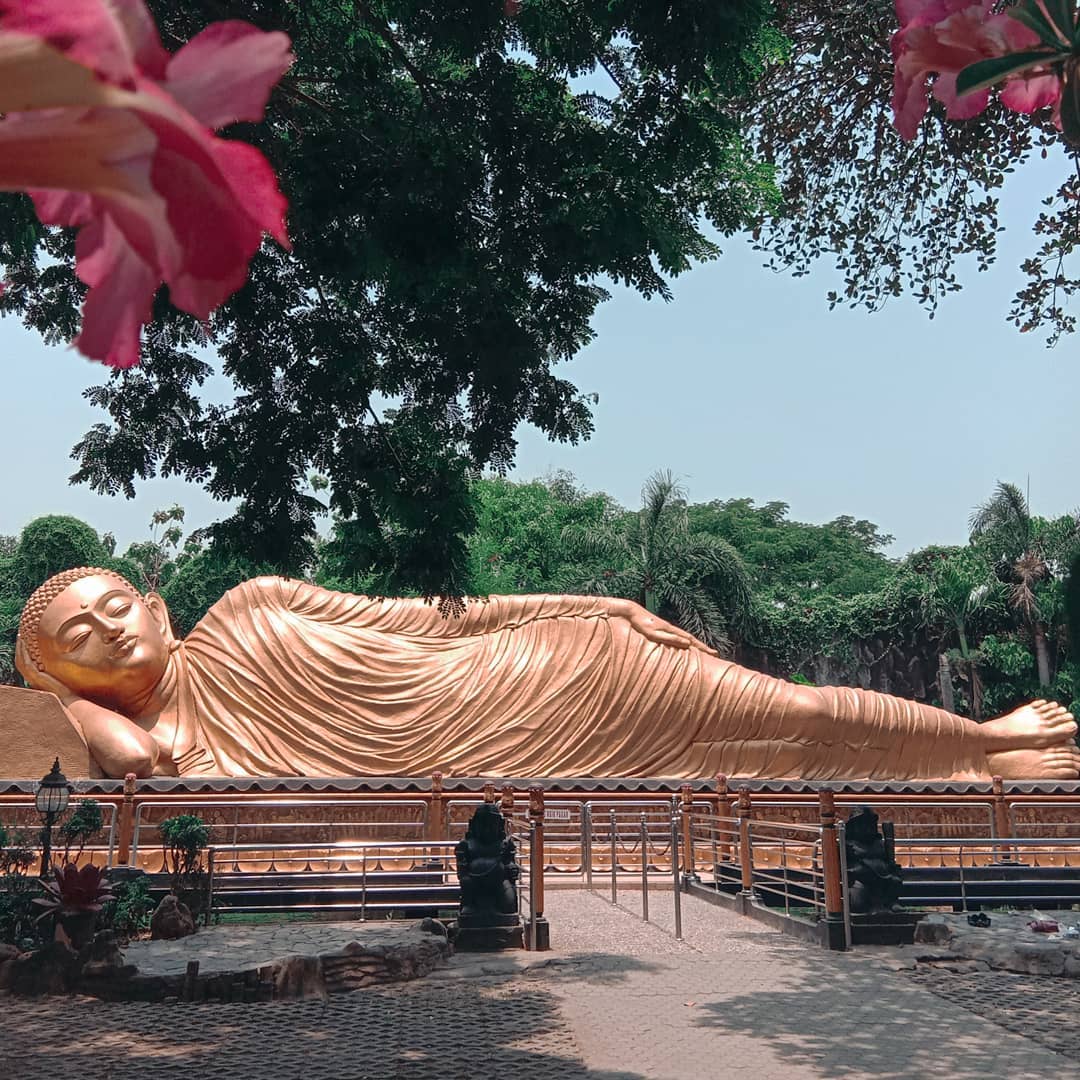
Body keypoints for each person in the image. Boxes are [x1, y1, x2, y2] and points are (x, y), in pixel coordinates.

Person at [13, 566, 1080, 781]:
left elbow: (436, 616)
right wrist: (66, 705)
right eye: (79, 643)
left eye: (116, 607)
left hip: (548, 671)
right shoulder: (167, 749)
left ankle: (988, 745)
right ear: (67, 680)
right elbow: (133, 762)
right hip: (512, 767)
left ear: (156, 603)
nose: (109, 632)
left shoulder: (251, 606)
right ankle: (974, 766)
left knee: (791, 710)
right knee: (782, 752)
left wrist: (593, 604)